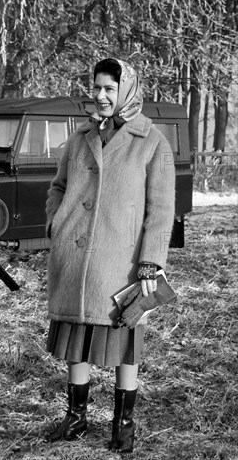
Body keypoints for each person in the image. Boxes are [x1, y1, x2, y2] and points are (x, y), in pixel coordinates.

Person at [44, 58, 175, 453]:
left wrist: (152, 261)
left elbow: (161, 209)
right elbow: (57, 188)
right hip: (75, 260)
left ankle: (124, 425)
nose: (100, 96)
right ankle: (77, 417)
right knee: (76, 338)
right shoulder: (80, 136)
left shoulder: (151, 141)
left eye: (109, 90)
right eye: (96, 88)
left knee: (125, 345)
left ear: (127, 92)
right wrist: (56, 224)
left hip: (122, 263)